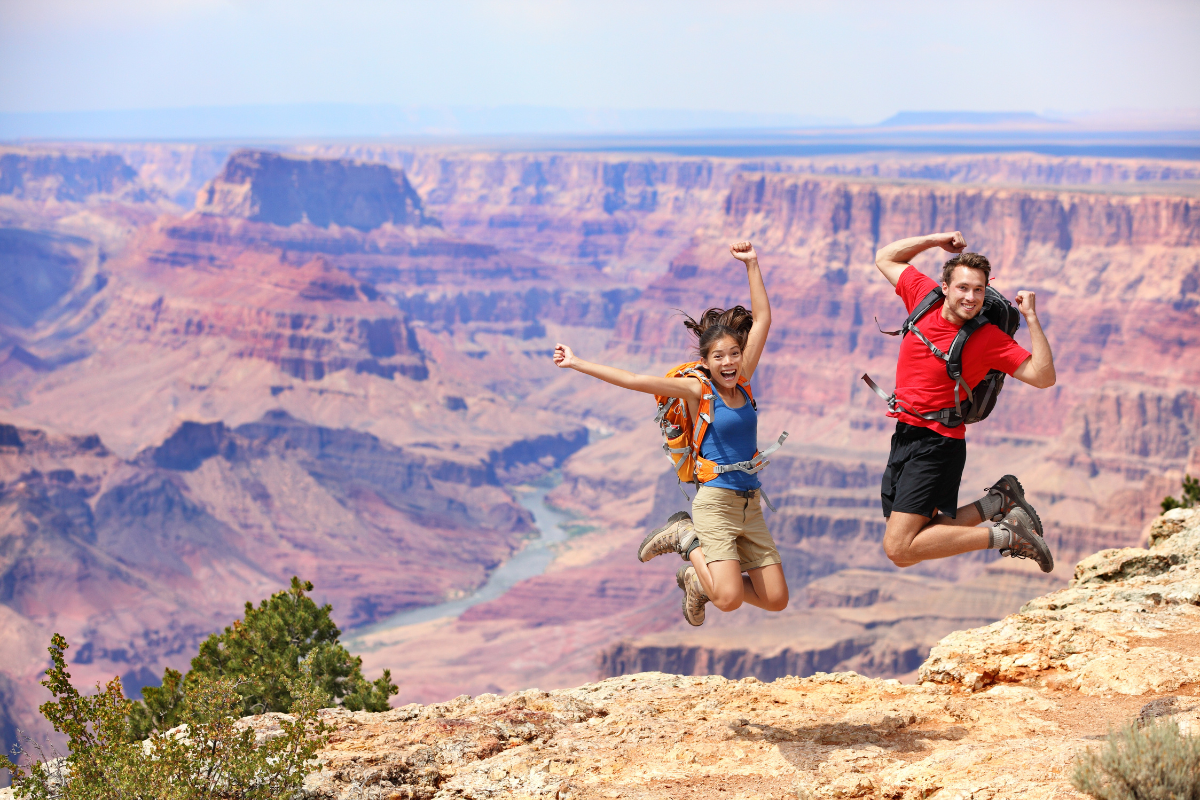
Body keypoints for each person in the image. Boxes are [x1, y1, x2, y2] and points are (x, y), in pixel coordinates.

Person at [553, 241, 788, 625]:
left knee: (776, 599)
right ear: (706, 362)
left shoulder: (743, 381)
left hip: (750, 504)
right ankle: (686, 537)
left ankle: (699, 580)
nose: (728, 362)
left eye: (733, 353)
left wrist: (752, 264)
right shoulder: (700, 391)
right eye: (718, 357)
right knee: (728, 599)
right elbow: (633, 380)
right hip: (715, 503)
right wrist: (578, 363)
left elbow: (763, 319)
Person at [871, 231, 1057, 573]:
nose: (970, 297)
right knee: (921, 536)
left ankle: (1009, 535)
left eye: (978, 290)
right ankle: (999, 501)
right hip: (906, 434)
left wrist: (1031, 317)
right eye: (962, 287)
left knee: (899, 548)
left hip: (937, 444)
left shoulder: (987, 339)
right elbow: (886, 257)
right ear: (944, 286)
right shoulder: (921, 297)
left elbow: (1043, 377)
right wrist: (937, 240)